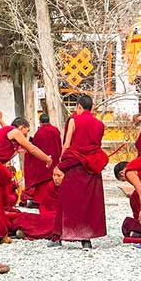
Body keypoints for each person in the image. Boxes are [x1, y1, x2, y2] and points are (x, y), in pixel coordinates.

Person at [51, 95, 107, 250]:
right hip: (92, 167)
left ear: (79, 107)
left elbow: (67, 144)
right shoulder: (100, 124)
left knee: (68, 201)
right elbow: (96, 146)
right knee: (89, 204)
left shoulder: (74, 120)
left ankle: (58, 237)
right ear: (92, 108)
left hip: (75, 167)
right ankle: (86, 240)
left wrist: (62, 164)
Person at [22, 114, 62, 207]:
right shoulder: (56, 130)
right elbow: (59, 144)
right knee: (53, 179)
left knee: (42, 182)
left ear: (40, 122)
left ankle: (40, 201)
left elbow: (35, 147)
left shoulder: (39, 132)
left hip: (42, 162)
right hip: (54, 159)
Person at [14, 169, 63, 240]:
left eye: (59, 176)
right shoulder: (51, 186)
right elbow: (45, 206)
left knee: (56, 224)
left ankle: (28, 233)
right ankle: (25, 231)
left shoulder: (70, 187)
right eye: (54, 175)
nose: (55, 178)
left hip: (63, 217)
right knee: (27, 216)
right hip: (50, 213)